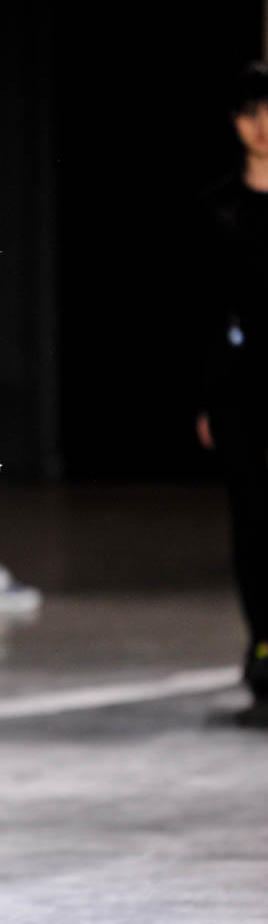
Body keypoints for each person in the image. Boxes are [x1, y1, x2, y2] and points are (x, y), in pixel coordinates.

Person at [194, 62, 268, 727]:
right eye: (251, 111)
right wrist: (206, 400)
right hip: (242, 387)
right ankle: (263, 646)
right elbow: (204, 310)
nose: (263, 124)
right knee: (252, 520)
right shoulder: (217, 206)